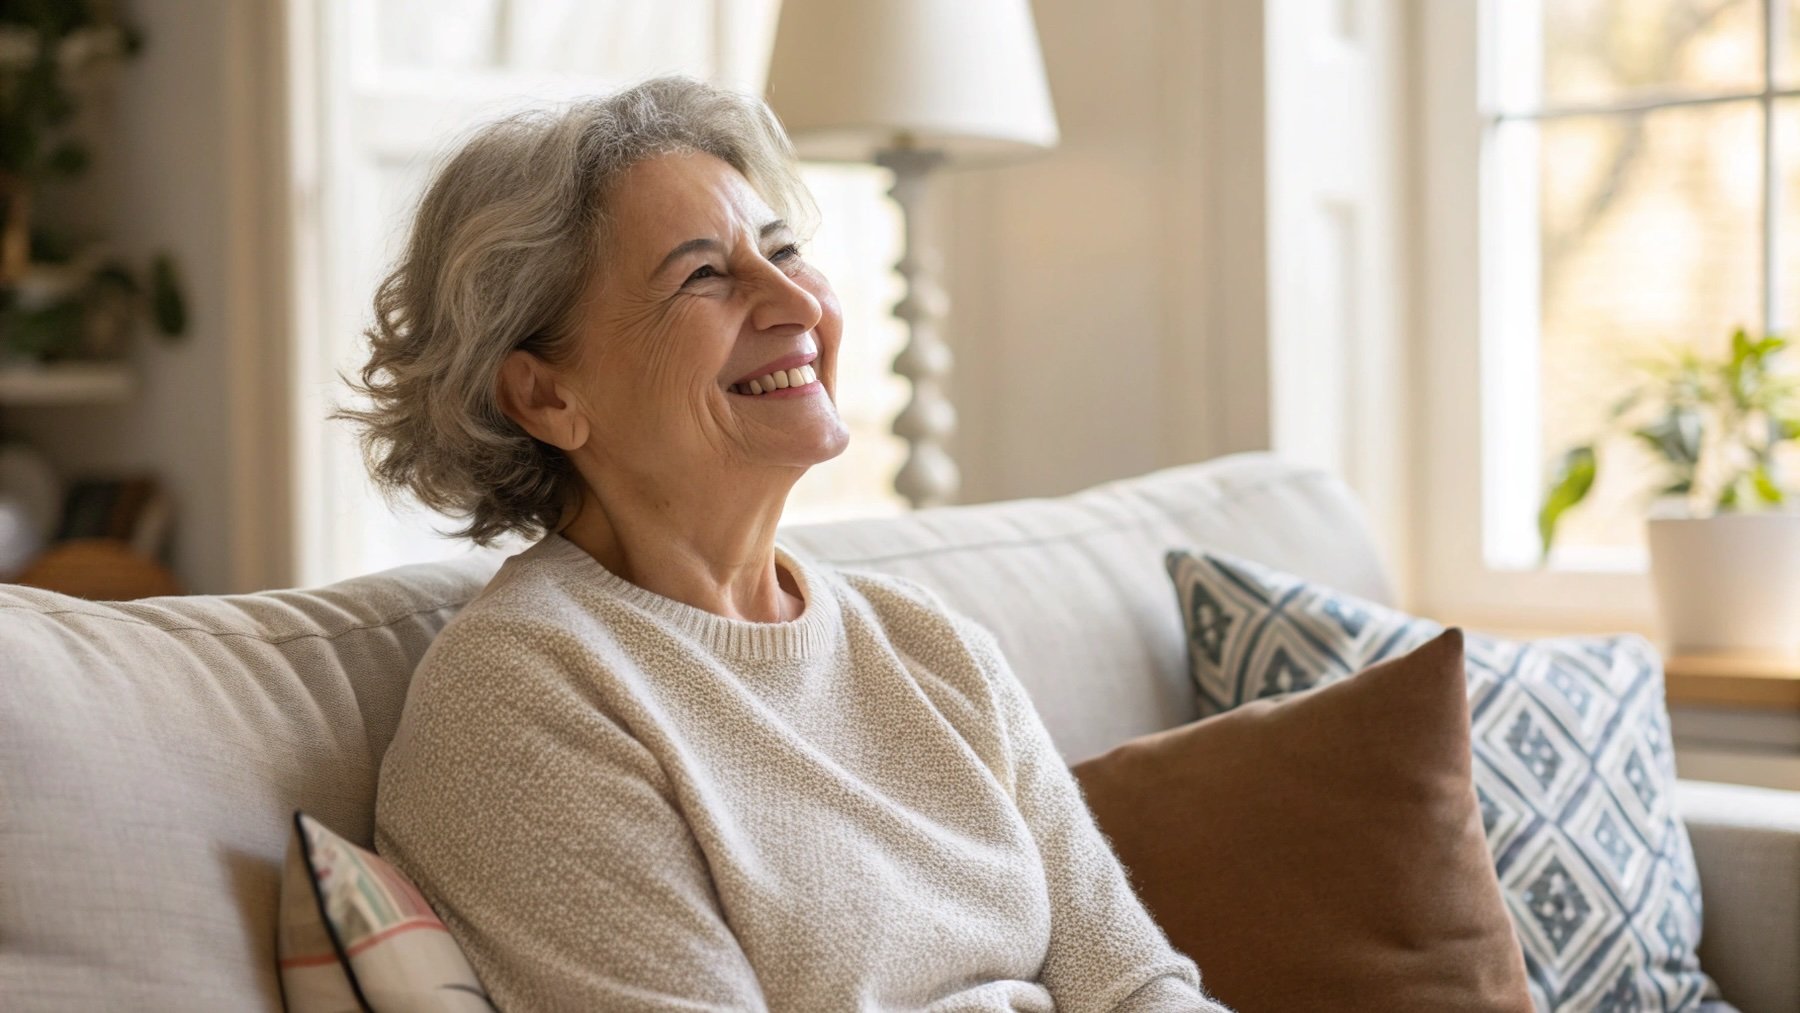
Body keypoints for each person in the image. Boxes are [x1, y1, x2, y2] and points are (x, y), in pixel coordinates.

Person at [341, 75, 1230, 1012]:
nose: (795, 304)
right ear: (545, 396)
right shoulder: (526, 695)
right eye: (703, 275)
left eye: (784, 250)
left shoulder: (927, 644)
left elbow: (1135, 982)